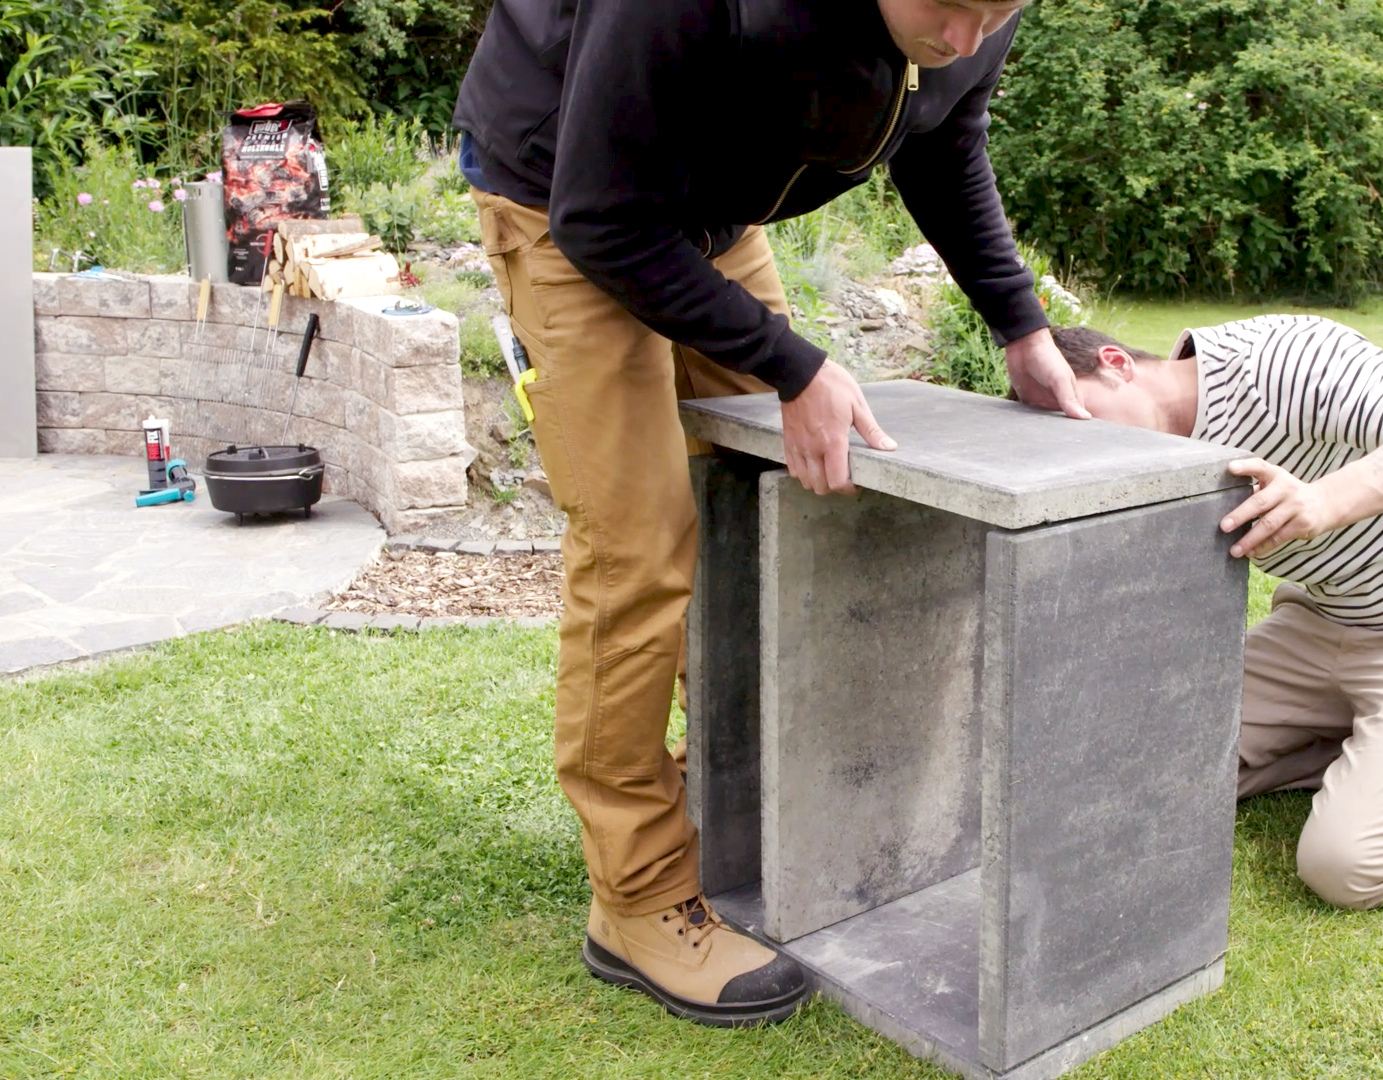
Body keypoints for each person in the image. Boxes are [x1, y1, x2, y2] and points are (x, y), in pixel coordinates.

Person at [450, 0, 1088, 1027]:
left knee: (769, 512)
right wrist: (790, 364)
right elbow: (601, 215)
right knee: (637, 546)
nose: (969, 40)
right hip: (566, 194)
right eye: (951, 6)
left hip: (714, 212)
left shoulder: (970, 22)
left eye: (999, 13)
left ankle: (726, 805)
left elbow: (944, 139)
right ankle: (638, 897)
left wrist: (1020, 324)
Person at [1046, 320, 1383, 910]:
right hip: (1319, 625)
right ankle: (1377, 745)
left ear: (1115, 363)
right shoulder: (1146, 464)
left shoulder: (1271, 360)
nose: (1087, 448)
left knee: (1345, 867)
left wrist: (1324, 499)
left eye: (1080, 414)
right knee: (1132, 779)